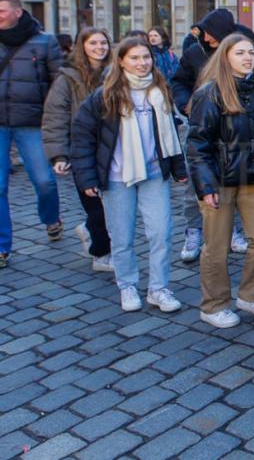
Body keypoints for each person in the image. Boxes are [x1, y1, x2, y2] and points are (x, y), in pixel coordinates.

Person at [70, 36, 186, 312]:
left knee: (161, 232)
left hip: (155, 174)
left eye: (145, 57)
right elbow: (82, 136)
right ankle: (128, 285)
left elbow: (170, 134)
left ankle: (159, 288)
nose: (142, 63)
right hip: (116, 176)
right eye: (134, 58)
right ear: (121, 60)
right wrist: (86, 178)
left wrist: (179, 168)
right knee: (121, 236)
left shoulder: (160, 91)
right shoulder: (105, 95)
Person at [187, 33, 254, 329]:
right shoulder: (209, 93)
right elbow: (197, 144)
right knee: (216, 245)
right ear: (225, 56)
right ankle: (213, 305)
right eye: (240, 53)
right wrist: (206, 186)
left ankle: (251, 295)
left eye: (251, 52)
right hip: (219, 181)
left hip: (251, 179)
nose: (247, 58)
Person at [171, 8, 254, 262]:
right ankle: (193, 230)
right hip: (207, 122)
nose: (205, 39)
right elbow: (179, 82)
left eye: (210, 34)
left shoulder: (250, 50)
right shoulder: (195, 53)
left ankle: (234, 231)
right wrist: (187, 102)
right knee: (198, 185)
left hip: (243, 130)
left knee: (243, 185)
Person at [42, 27, 114, 272]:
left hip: (113, 148)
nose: (99, 47)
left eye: (103, 42)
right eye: (93, 42)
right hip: (83, 150)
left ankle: (89, 230)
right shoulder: (67, 78)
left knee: (112, 205)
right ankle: (101, 254)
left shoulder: (116, 72)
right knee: (96, 206)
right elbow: (55, 116)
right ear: (81, 46)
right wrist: (59, 155)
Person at [0, 0, 63, 267]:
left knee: (44, 181)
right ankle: (2, 246)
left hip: (33, 122)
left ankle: (51, 218)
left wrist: (55, 119)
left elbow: (59, 84)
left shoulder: (44, 41)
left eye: (1, 10)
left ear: (17, 12)